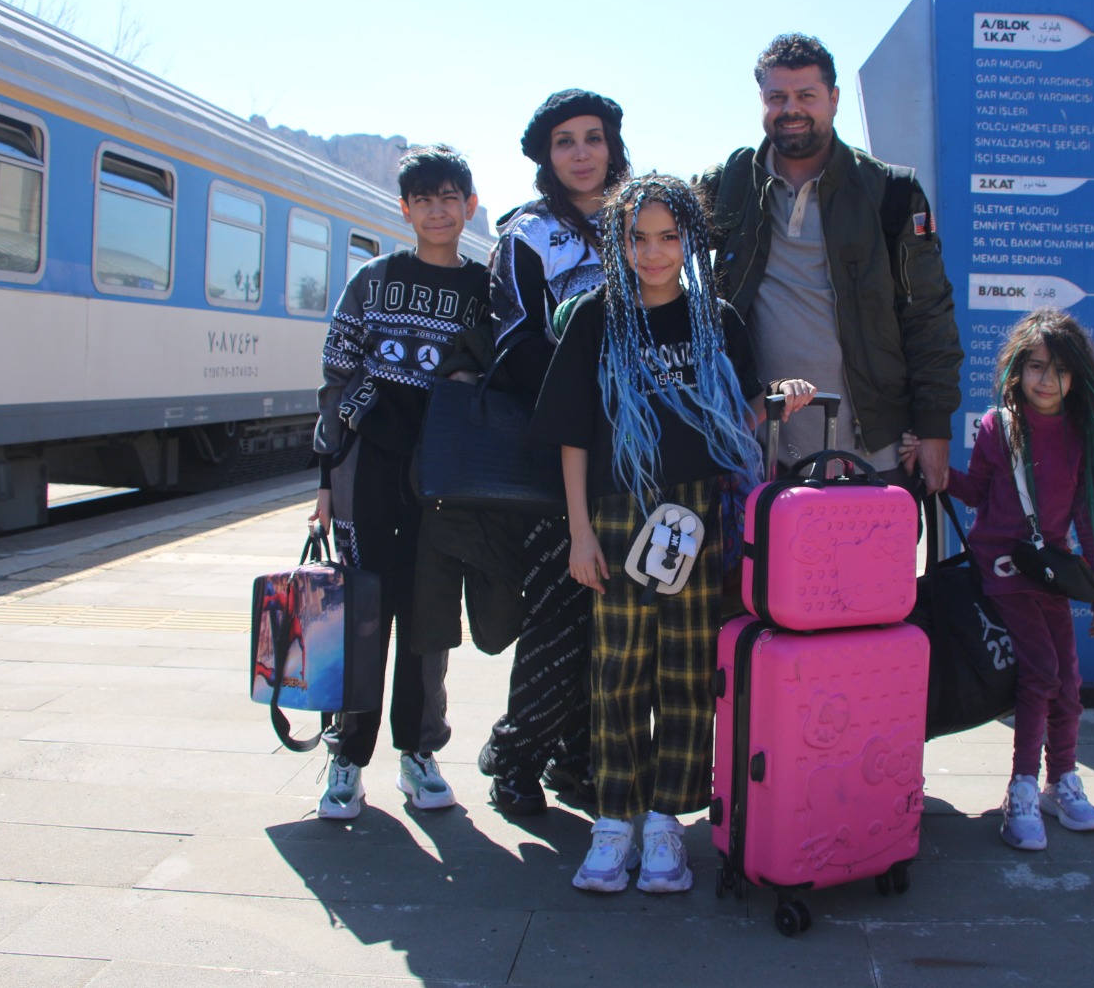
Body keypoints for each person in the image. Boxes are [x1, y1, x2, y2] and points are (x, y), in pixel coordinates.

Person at [530, 173, 815, 893]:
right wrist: (579, 533)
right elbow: (571, 435)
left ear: (689, 240)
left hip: (696, 514)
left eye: (668, 237)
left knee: (687, 671)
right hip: (617, 510)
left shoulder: (716, 319)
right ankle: (613, 820)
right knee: (617, 669)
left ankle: (666, 823)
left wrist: (777, 401)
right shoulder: (595, 318)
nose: (654, 252)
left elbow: (734, 417)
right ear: (617, 242)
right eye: (638, 238)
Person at [907, 307, 1094, 851]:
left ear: (1076, 376)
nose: (1046, 379)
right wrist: (933, 469)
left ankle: (1063, 780)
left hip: (1048, 575)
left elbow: (1091, 520)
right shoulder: (1001, 426)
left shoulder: (1082, 435)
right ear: (1018, 369)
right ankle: (1023, 789)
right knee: (1041, 675)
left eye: (1059, 369)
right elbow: (978, 491)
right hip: (1001, 570)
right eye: (1036, 366)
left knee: (1068, 684)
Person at [696, 32, 961, 491]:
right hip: (758, 453)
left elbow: (929, 315)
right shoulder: (731, 185)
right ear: (761, 101)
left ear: (834, 99)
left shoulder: (889, 191)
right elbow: (650, 232)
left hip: (872, 453)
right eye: (777, 97)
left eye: (807, 95)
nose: (791, 109)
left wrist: (935, 428)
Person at [309, 144, 489, 819]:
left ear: (470, 206)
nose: (438, 211)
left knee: (429, 615)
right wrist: (326, 481)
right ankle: (346, 759)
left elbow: (498, 372)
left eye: (449, 198)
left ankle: (418, 753)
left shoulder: (485, 288)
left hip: (443, 473)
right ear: (405, 209)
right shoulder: (373, 279)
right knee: (361, 612)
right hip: (369, 471)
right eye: (424, 200)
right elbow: (336, 378)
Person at [478, 89, 632, 816]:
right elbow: (515, 344)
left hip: (638, 453)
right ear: (546, 155)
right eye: (564, 141)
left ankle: (579, 759)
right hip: (556, 452)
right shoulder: (528, 234)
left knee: (616, 617)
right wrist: (592, 398)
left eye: (593, 138)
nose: (581, 153)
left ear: (612, 146)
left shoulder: (640, 223)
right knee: (557, 611)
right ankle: (516, 757)